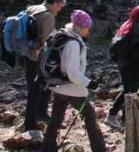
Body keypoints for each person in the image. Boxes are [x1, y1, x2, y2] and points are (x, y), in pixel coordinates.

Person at [42, 10, 105, 152]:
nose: (89, 30)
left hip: (58, 86)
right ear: (80, 27)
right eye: (87, 27)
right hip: (71, 89)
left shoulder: (65, 35)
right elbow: (72, 73)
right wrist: (90, 83)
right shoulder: (74, 43)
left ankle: (47, 147)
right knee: (89, 114)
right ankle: (99, 149)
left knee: (56, 119)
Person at [23, 0, 66, 141]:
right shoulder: (48, 16)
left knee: (43, 86)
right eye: (60, 6)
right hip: (38, 58)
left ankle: (41, 113)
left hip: (27, 54)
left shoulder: (32, 8)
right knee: (35, 91)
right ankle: (30, 125)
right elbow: (47, 42)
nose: (60, 9)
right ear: (54, 2)